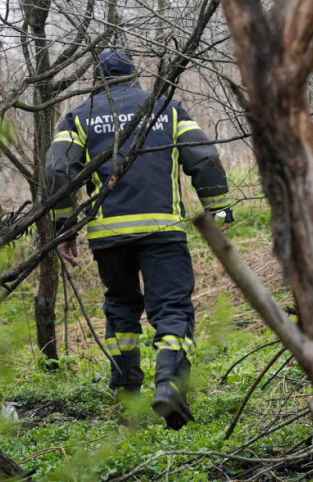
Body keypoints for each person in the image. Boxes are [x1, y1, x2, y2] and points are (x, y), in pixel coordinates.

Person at [44, 49, 234, 429]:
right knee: (172, 309)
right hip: (162, 230)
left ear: (95, 81)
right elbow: (203, 158)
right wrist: (218, 210)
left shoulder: (79, 116)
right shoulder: (166, 108)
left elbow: (57, 168)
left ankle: (127, 393)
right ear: (134, 77)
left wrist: (65, 227)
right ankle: (170, 386)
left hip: (109, 236)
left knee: (121, 306)